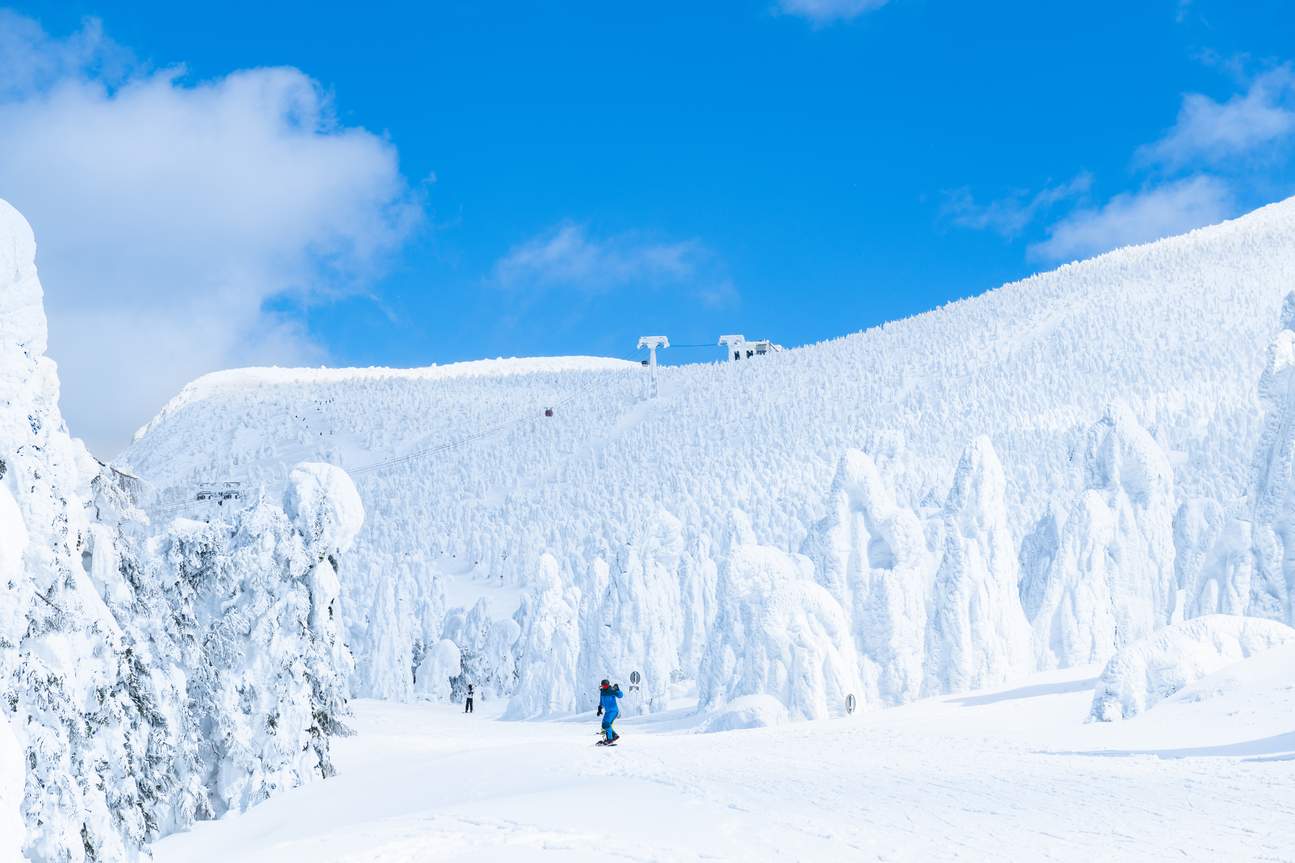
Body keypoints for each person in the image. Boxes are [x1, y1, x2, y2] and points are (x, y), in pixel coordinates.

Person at [595, 679, 622, 745]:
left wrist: (617, 689)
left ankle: (609, 739)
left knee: (606, 724)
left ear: (608, 685)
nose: (604, 687)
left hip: (613, 711)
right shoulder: (602, 692)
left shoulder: (611, 690)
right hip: (607, 712)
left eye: (606, 686)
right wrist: (599, 708)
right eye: (603, 686)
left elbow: (620, 695)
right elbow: (601, 701)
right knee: (604, 725)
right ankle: (614, 736)